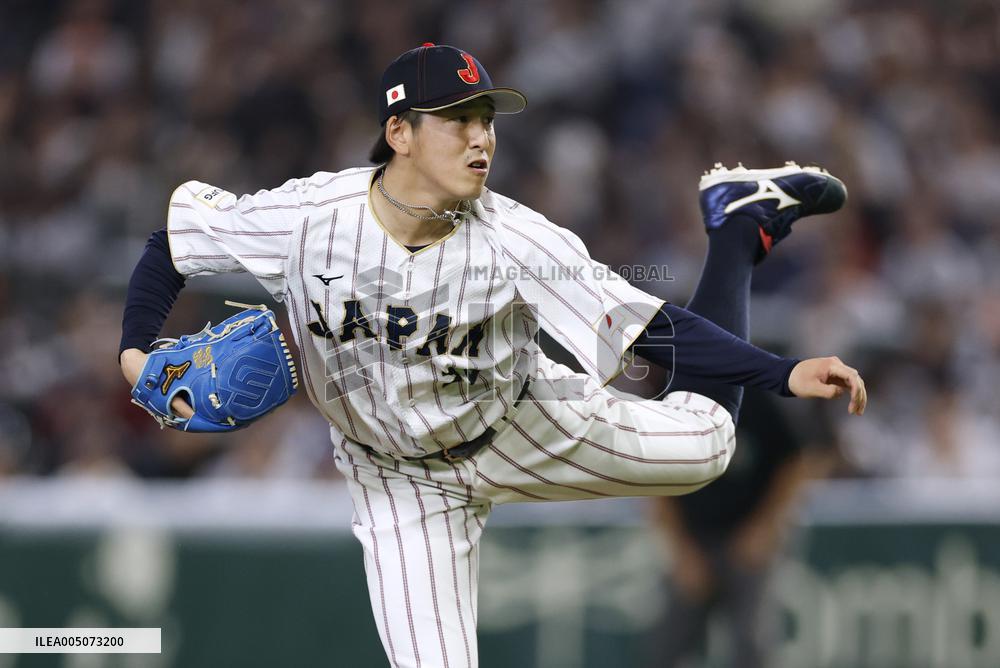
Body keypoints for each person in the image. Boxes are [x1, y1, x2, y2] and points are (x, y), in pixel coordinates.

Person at [119, 43, 866, 668]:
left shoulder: (517, 238)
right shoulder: (312, 218)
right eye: (457, 122)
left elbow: (651, 330)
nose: (481, 138)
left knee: (711, 446)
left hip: (522, 424)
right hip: (399, 481)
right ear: (401, 132)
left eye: (487, 121)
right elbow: (172, 246)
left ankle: (737, 227)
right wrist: (134, 356)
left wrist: (779, 373)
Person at [648, 391, 834, 668]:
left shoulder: (760, 398)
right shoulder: (677, 401)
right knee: (667, 643)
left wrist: (765, 527)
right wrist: (681, 550)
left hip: (747, 540)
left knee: (751, 640)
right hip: (695, 540)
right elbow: (654, 477)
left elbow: (799, 461)